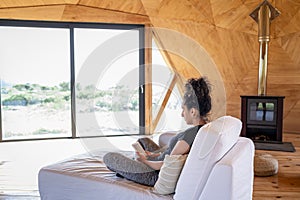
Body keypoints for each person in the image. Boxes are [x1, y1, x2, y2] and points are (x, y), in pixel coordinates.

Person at [103, 77, 212, 186]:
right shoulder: (204, 128)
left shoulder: (190, 135)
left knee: (109, 157)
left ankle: (130, 169)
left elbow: (167, 165)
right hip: (156, 162)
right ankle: (135, 163)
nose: (182, 114)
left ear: (193, 111)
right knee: (143, 141)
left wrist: (144, 161)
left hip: (153, 173)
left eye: (183, 109)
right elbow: (171, 155)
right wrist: (154, 155)